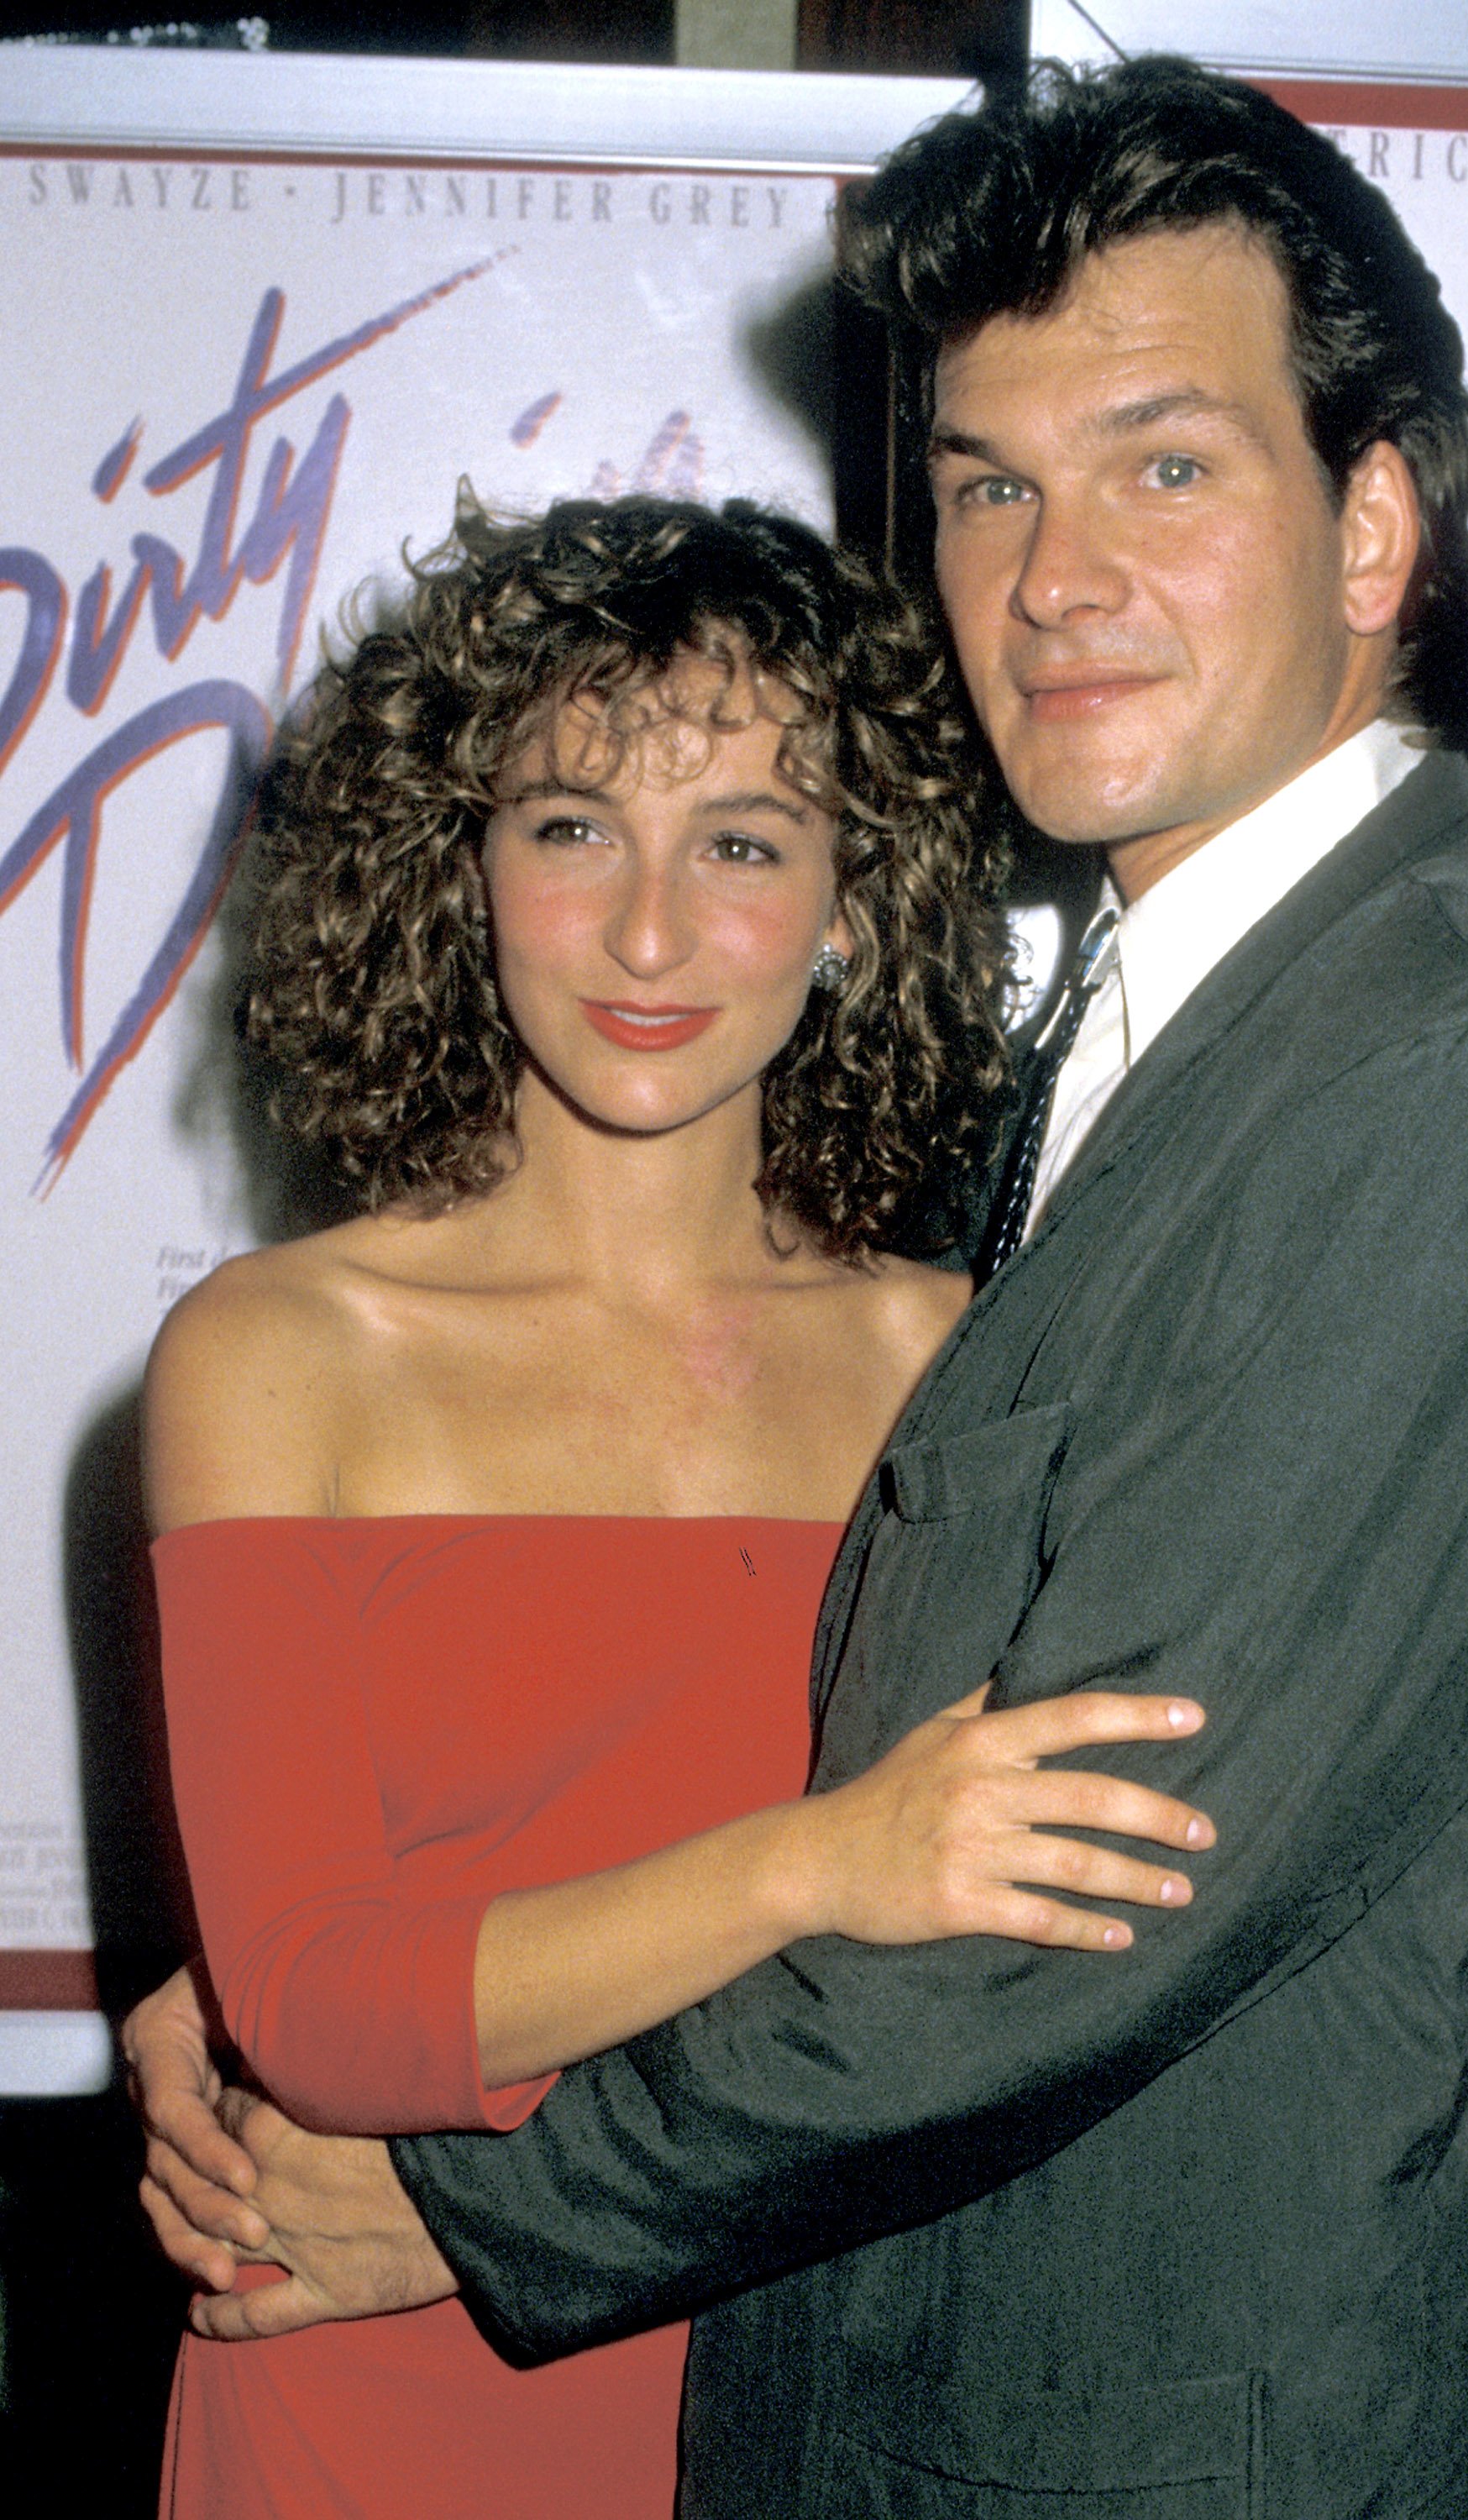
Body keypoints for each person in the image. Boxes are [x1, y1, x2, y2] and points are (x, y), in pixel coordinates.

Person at [125, 59, 1468, 2517]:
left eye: (1165, 465)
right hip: (810, 2380)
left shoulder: (1465, 1085)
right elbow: (1108, 1750)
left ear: (1375, 519)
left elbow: (1087, 1891)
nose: (1057, 572)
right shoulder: (1124, 1051)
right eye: (991, 483)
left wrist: (457, 2205)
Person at [138, 488, 1235, 2517]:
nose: (650, 933)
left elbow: (1142, 1837)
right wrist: (817, 1864)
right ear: (457, 872)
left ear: (852, 900)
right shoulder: (279, 1353)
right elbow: (323, 2017)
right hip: (367, 2391)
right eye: (571, 827)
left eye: (740, 843)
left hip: (832, 2366)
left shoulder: (963, 1355)